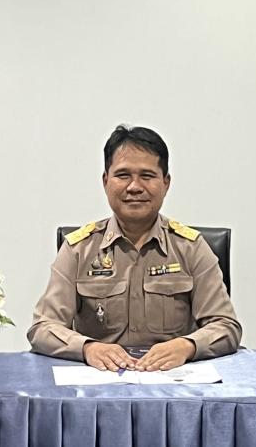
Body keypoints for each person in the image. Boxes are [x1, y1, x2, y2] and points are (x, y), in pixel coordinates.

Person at [27, 125, 242, 372]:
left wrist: (187, 346)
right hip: (100, 382)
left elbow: (226, 326)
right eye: (123, 175)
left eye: (147, 176)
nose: (134, 187)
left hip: (173, 381)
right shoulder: (79, 249)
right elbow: (42, 328)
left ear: (166, 183)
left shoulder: (191, 248)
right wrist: (88, 348)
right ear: (105, 181)